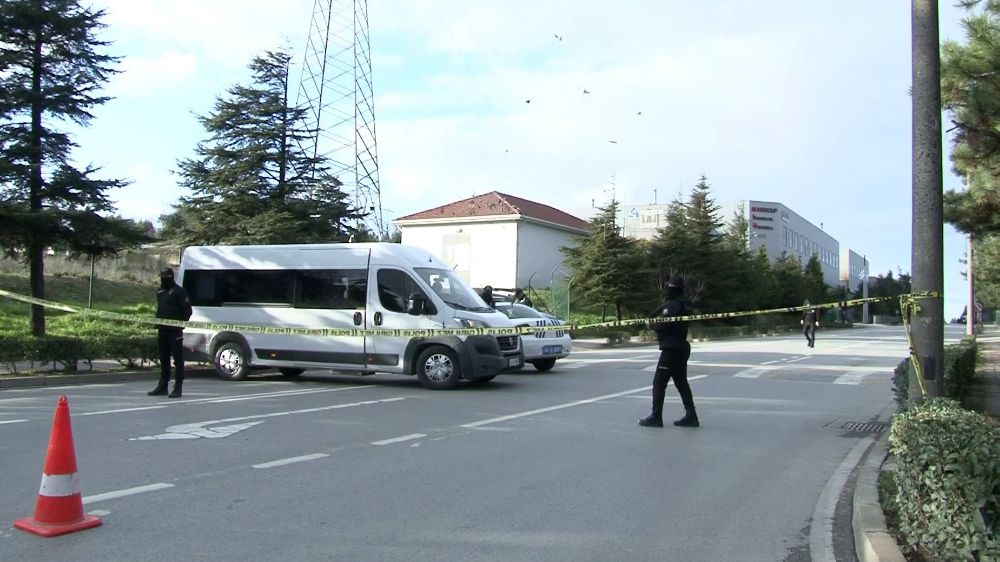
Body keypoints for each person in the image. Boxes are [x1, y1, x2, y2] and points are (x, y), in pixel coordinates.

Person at [639, 275, 698, 428]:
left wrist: (651, 326)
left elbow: (664, 324)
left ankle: (656, 417)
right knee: (681, 383)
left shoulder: (672, 305)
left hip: (671, 348)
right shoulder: (686, 304)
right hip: (681, 347)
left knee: (659, 383)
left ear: (671, 289)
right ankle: (691, 416)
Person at [149, 267, 193, 398]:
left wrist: (179, 324)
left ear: (170, 277)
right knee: (164, 359)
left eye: (165, 277)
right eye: (161, 277)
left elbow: (187, 311)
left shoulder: (180, 292)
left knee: (178, 360)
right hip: (162, 329)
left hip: (175, 331)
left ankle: (178, 386)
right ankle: (163, 385)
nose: (163, 280)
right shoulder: (160, 291)